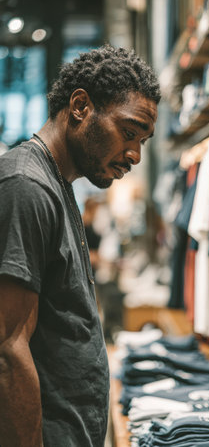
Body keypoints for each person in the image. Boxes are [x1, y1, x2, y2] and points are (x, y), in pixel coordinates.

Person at [0, 45, 160, 447]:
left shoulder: (57, 183)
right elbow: (6, 346)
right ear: (80, 106)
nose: (135, 155)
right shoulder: (27, 186)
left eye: (143, 140)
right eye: (128, 133)